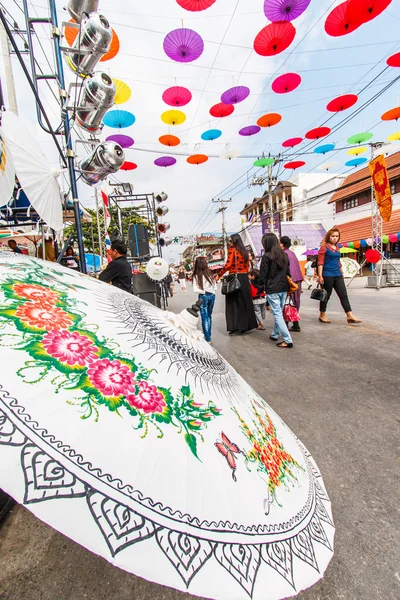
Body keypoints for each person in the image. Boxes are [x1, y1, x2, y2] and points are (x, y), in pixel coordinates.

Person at [317, 227, 361, 324]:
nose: (335, 238)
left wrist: (342, 271)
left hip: (337, 274)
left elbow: (338, 261)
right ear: (329, 236)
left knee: (343, 295)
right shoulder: (324, 248)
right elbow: (320, 263)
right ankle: (322, 315)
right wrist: (320, 276)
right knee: (326, 296)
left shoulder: (337, 248)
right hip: (327, 275)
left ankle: (349, 315)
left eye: (337, 236)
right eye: (333, 236)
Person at [216, 234, 258, 334]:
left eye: (230, 241)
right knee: (245, 302)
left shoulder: (232, 250)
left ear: (235, 241)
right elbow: (248, 266)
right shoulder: (245, 252)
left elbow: (228, 265)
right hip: (244, 278)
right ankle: (246, 326)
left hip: (234, 278)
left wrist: (219, 274)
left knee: (233, 303)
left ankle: (235, 326)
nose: (229, 243)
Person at [259, 233, 293, 348]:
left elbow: (262, 276)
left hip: (272, 289)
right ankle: (275, 334)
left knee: (277, 314)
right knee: (280, 313)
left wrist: (259, 288)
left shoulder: (267, 256)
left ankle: (288, 340)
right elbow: (288, 272)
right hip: (283, 288)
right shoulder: (284, 255)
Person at [280, 236, 303, 333]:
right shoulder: (292, 253)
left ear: (282, 244)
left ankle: (285, 323)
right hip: (297, 279)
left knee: (287, 302)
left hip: (289, 280)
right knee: (295, 301)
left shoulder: (283, 254)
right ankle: (295, 323)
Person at [192, 256, 217, 343]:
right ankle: (208, 335)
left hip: (203, 296)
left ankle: (208, 338)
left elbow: (195, 289)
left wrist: (203, 291)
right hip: (212, 296)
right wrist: (211, 291)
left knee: (205, 318)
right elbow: (215, 286)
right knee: (209, 316)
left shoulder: (196, 276)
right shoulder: (209, 273)